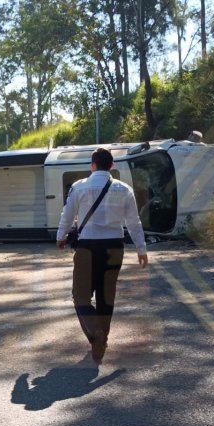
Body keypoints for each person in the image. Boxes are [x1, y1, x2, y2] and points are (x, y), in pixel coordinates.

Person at [56, 148, 148, 362]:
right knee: (106, 296)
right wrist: (141, 249)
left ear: (92, 165)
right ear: (112, 166)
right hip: (115, 246)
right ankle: (102, 339)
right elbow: (134, 222)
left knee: (80, 296)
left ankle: (95, 334)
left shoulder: (79, 187)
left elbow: (67, 215)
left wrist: (61, 236)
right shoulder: (124, 189)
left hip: (87, 247)